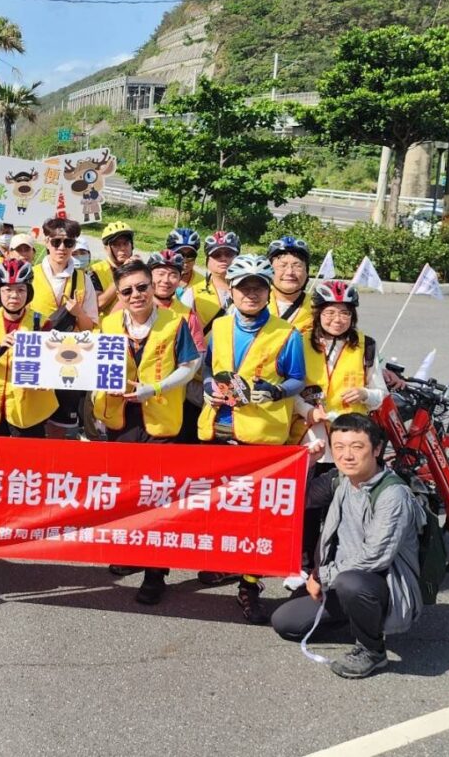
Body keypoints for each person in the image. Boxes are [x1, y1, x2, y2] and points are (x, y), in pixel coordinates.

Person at [198, 254, 307, 624]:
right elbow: (209, 369)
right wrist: (210, 389)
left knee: (256, 515)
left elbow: (297, 378)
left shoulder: (286, 333)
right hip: (219, 428)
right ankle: (224, 562)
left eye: (259, 287)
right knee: (221, 507)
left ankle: (249, 584)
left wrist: (276, 391)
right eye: (244, 287)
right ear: (232, 290)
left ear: (268, 291)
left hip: (261, 436)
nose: (252, 294)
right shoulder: (221, 326)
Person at [272, 414, 423, 679]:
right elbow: (299, 499)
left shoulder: (393, 495)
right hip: (341, 578)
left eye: (357, 446)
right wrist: (309, 464)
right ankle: (357, 616)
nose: (347, 455)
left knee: (351, 583)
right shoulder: (340, 478)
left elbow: (374, 558)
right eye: (339, 447)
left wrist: (321, 576)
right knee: (285, 622)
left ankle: (372, 651)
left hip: (383, 584)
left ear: (376, 449)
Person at [94, 260, 202, 606]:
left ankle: (156, 573)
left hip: (161, 421)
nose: (136, 295)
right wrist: (99, 394)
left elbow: (190, 366)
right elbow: (95, 367)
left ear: (153, 288)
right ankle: (131, 552)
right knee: (127, 492)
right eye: (127, 291)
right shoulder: (109, 323)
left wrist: (154, 388)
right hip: (121, 421)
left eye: (142, 287)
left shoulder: (175, 322)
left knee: (158, 496)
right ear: (118, 295)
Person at [292, 280, 386, 587]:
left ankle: (339, 563)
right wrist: (307, 411)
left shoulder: (366, 345)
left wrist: (365, 394)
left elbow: (381, 393)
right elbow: (289, 388)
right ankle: (304, 563)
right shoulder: (298, 342)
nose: (337, 319)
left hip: (349, 442)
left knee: (345, 508)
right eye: (330, 312)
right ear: (318, 313)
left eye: (345, 313)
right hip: (312, 436)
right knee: (308, 504)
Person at [0, 258, 59, 438]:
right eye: (8, 290)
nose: (14, 296)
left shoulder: (43, 323)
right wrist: (0, 348)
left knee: (28, 455)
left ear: (29, 293)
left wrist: (46, 379)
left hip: (26, 409)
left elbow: (53, 365)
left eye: (21, 290)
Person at [31, 217, 99, 439]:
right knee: (32, 421)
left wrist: (78, 313)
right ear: (46, 242)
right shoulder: (30, 275)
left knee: (61, 423)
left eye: (68, 243)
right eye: (56, 242)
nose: (62, 248)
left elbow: (90, 327)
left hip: (69, 360)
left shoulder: (83, 280)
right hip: (37, 357)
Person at [147, 249, 209, 443]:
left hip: (170, 398)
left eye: (173, 274)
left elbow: (196, 357)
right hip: (131, 399)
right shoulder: (133, 305)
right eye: (160, 273)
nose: (166, 280)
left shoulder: (188, 315)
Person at [191, 230, 239, 333]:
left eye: (229, 254)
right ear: (207, 261)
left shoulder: (250, 291)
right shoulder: (193, 293)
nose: (223, 258)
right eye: (217, 254)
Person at [267, 236, 315, 337]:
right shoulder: (253, 302)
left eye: (297, 266)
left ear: (306, 272)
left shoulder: (318, 308)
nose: (290, 272)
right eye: (282, 265)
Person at [92, 222, 137, 316]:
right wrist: (123, 274)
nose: (122, 248)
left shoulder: (138, 268)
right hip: (107, 323)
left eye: (126, 243)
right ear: (106, 248)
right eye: (116, 245)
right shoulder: (96, 270)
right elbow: (98, 304)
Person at [166, 228, 200, 307]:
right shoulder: (156, 279)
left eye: (190, 255)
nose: (185, 260)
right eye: (179, 254)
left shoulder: (203, 283)